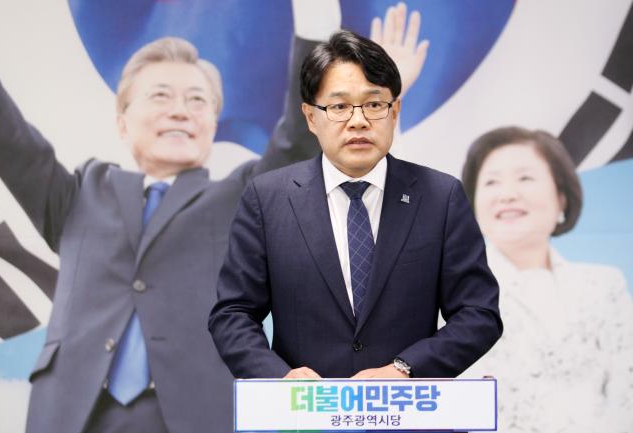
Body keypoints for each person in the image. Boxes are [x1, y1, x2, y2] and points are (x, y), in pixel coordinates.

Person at [0, 35, 320, 433]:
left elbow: (296, 142)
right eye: (160, 96)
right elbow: (9, 138)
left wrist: (315, 31)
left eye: (197, 100)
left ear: (212, 125)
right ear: (122, 123)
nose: (179, 111)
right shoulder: (78, 195)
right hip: (73, 416)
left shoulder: (241, 200)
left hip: (195, 416)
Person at [209, 30, 502, 382]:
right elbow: (233, 313)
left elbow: (478, 313)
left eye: (374, 105)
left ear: (395, 111)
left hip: (407, 406)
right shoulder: (267, 197)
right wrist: (279, 377)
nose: (358, 120)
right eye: (339, 107)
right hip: (303, 407)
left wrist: (406, 368)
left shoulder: (441, 197)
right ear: (310, 117)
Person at [460, 126, 633, 432]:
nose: (507, 194)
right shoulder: (452, 293)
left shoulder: (604, 285)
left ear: (561, 197)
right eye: (491, 182)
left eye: (525, 178)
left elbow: (626, 393)